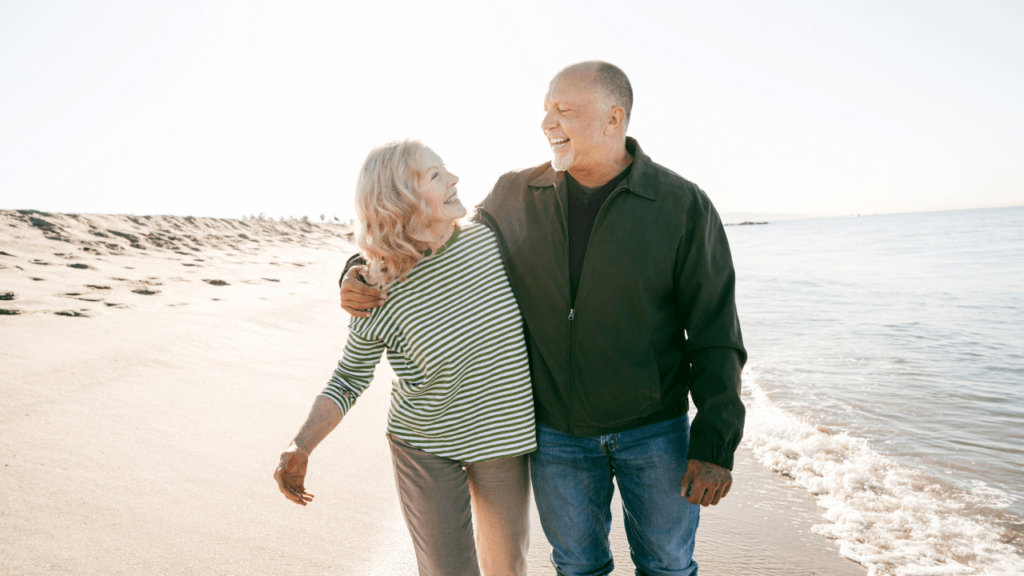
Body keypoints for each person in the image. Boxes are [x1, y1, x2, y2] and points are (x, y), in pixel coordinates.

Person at [342, 61, 746, 576]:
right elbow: (430, 243)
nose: (547, 123)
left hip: (657, 432)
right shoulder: (514, 194)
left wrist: (715, 440)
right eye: (546, 109)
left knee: (667, 565)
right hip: (557, 436)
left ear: (613, 118)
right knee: (577, 567)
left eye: (565, 110)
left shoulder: (682, 205)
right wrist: (355, 268)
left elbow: (716, 333)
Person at [276, 139, 536, 576]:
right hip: (425, 445)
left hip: (501, 436)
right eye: (436, 176)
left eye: (445, 169)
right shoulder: (377, 284)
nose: (454, 179)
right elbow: (347, 379)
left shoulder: (493, 242)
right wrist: (301, 445)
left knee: (508, 568)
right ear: (402, 200)